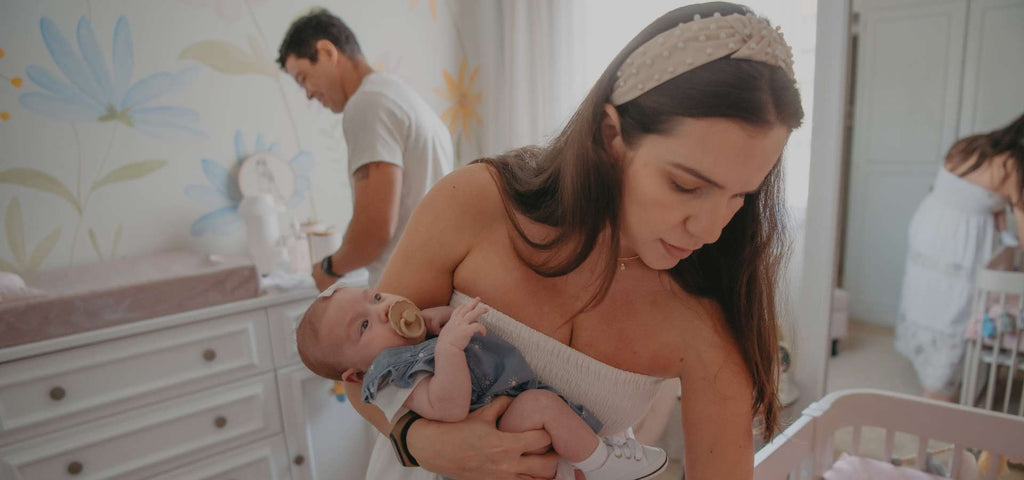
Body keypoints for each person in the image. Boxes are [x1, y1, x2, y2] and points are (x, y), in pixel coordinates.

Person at [349, 2, 803, 478]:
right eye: (686, 186)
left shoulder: (707, 316)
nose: (711, 231)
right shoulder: (475, 202)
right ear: (611, 134)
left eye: (740, 197)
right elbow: (360, 367)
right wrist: (420, 440)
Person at [297, 284, 669, 480]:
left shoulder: (416, 335)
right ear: (358, 374)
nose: (382, 310)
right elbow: (448, 406)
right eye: (364, 326)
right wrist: (449, 347)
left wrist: (437, 321)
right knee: (540, 408)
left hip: (508, 414)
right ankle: (604, 463)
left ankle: (592, 460)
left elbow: (438, 323)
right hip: (494, 433)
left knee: (547, 419)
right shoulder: (395, 377)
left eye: (376, 297)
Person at [276, 8, 454, 290]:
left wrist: (329, 268)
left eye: (303, 78)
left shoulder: (367, 104)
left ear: (326, 52)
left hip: (401, 290)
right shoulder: (402, 97)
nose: (308, 93)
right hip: (434, 281)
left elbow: (374, 228)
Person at [896, 111, 1024, 401]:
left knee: (931, 297)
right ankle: (940, 386)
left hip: (930, 225)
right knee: (955, 308)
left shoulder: (970, 145)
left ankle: (933, 371)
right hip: (962, 241)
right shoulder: (1012, 166)